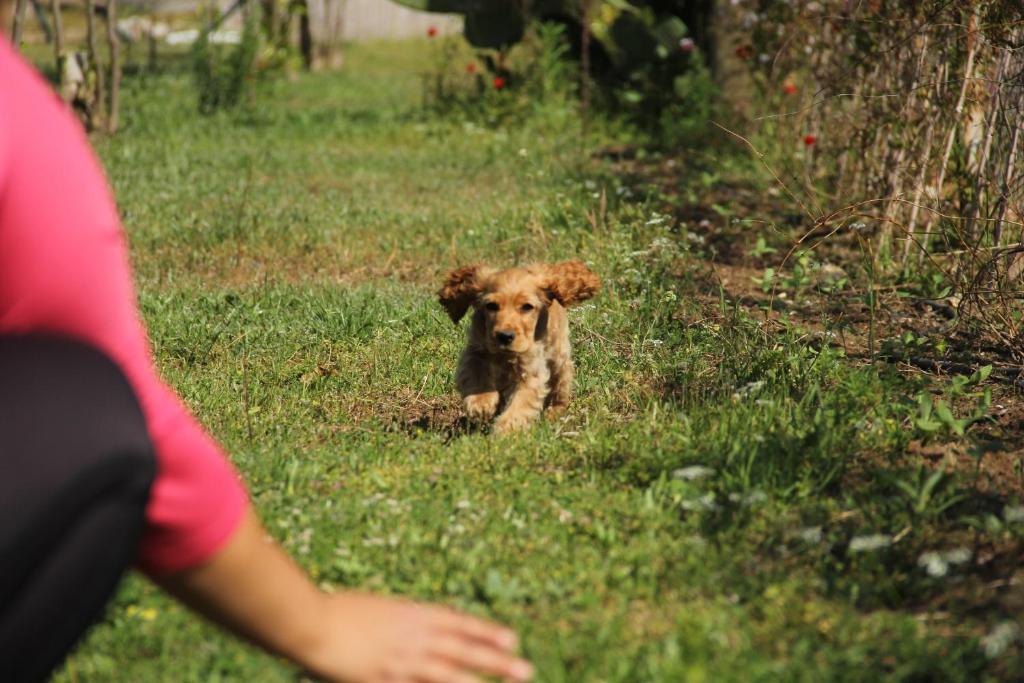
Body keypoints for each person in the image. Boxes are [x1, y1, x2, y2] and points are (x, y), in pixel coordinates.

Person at [0, 33, 533, 683]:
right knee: (97, 411)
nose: (506, 323)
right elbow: (125, 403)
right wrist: (315, 624)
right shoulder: (21, 119)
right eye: (492, 312)